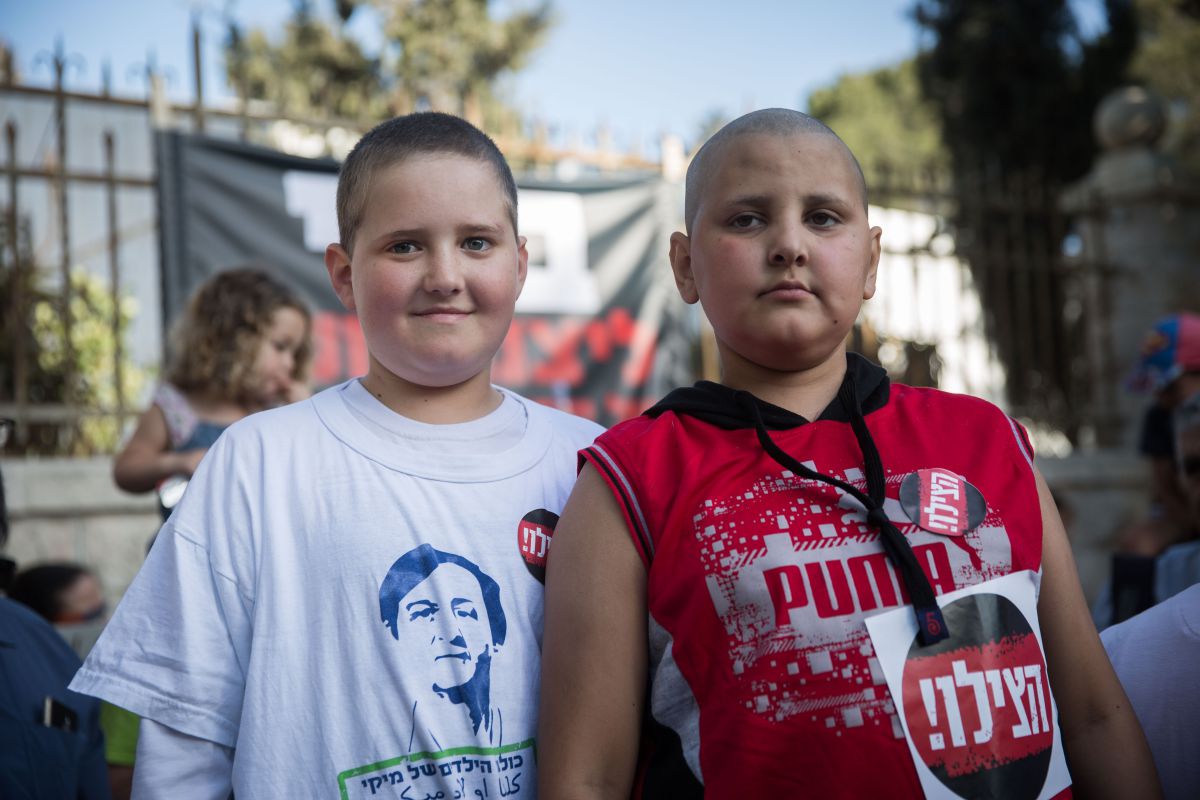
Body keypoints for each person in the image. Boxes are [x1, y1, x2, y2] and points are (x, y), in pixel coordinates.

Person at [539, 108, 1159, 798]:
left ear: (871, 261)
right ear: (686, 266)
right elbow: (586, 778)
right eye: (746, 219)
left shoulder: (988, 439)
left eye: (824, 217)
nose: (788, 246)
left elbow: (1095, 716)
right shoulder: (631, 479)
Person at [71, 112, 603, 798]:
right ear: (345, 275)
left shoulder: (590, 461)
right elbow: (186, 737)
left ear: (520, 264)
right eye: (406, 246)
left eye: (476, 242)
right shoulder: (258, 462)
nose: (444, 276)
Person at [112, 266, 312, 519]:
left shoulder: (277, 412)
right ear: (234, 339)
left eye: (295, 353)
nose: (290, 363)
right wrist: (179, 462)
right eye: (280, 347)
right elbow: (126, 470)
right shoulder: (177, 407)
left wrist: (305, 416)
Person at [379, 543, 507, 749]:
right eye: (423, 613)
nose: (453, 633)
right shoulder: (382, 741)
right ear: (394, 634)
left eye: (465, 612)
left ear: (494, 635)